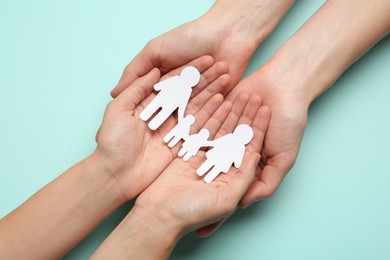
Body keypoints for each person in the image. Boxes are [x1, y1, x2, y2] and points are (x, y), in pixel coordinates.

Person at [111, 0, 390, 237]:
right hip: (204, 141)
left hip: (206, 144)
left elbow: (212, 138)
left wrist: (234, 25)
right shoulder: (197, 104)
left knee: (173, 132)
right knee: (184, 144)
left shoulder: (192, 97)